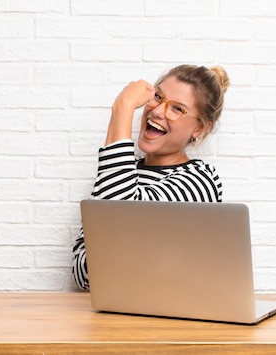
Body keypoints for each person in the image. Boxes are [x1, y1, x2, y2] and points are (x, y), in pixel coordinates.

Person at [72, 64, 230, 290]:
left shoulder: (199, 181)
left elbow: (120, 224)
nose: (156, 111)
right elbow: (86, 274)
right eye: (158, 97)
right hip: (109, 319)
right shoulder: (120, 173)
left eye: (177, 109)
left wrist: (123, 108)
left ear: (200, 129)